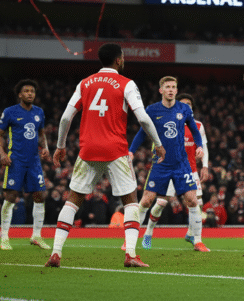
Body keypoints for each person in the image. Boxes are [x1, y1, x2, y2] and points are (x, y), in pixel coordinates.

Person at [46, 43, 165, 268]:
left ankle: (56, 253)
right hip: (115, 150)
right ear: (118, 60)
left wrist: (60, 145)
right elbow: (142, 117)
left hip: (88, 149)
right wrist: (158, 144)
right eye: (123, 57)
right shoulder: (126, 83)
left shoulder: (85, 83)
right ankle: (130, 254)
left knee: (73, 200)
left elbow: (65, 118)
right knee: (130, 201)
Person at [128, 77, 207, 252]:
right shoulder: (152, 110)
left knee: (192, 200)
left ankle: (197, 241)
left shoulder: (184, 109)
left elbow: (195, 130)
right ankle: (131, 240)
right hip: (161, 163)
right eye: (167, 87)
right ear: (161, 90)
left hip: (181, 164)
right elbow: (142, 133)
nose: (171, 90)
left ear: (176, 90)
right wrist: (131, 150)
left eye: (173, 87)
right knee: (147, 200)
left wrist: (200, 146)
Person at [0, 79, 52, 251]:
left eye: (32, 91)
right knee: (11, 196)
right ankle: (4, 237)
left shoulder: (39, 112)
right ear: (20, 94)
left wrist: (45, 147)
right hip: (16, 160)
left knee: (40, 196)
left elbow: (41, 133)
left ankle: (36, 235)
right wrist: (2, 154)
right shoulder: (10, 112)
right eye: (26, 91)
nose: (30, 93)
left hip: (34, 161)